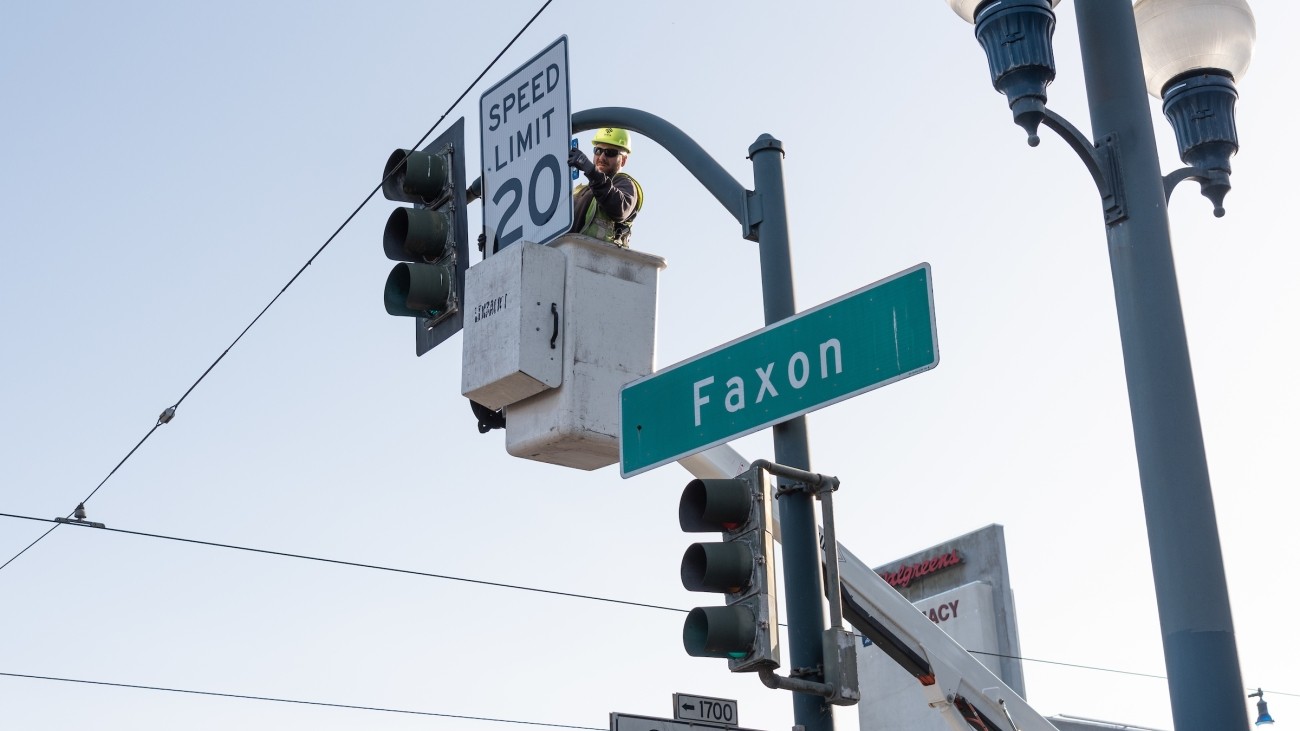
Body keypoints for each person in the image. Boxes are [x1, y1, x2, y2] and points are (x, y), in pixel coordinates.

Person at [567, 128, 643, 247]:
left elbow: (620, 209)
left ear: (623, 160)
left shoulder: (625, 183)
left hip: (599, 259)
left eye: (610, 152)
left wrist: (591, 171)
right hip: (569, 255)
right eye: (598, 150)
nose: (602, 157)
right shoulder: (580, 190)